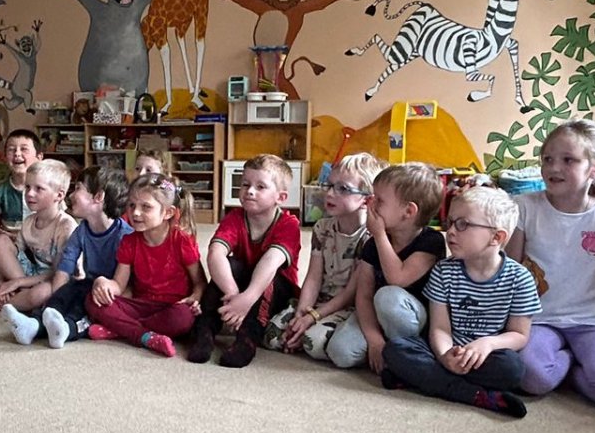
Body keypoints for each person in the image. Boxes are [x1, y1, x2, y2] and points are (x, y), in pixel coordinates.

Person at [509, 119, 595, 408]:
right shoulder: (524, 206)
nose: (553, 168)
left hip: (593, 320)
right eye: (548, 159)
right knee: (529, 376)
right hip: (539, 319)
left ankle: (572, 369)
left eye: (568, 160)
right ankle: (569, 359)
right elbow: (509, 271)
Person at [381, 183, 537, 418]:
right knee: (396, 349)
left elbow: (519, 335)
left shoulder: (520, 278)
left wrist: (487, 344)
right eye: (450, 222)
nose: (451, 232)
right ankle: (475, 395)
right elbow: (440, 328)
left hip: (485, 356)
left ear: (496, 237)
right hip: (444, 350)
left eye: (463, 224)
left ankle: (425, 380)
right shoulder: (444, 271)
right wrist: (445, 356)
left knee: (512, 368)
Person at [326, 163, 446, 372]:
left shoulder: (431, 241)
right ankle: (384, 352)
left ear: (408, 211)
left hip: (414, 321)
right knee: (340, 352)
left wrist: (380, 235)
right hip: (378, 316)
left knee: (388, 296)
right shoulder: (373, 244)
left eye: (379, 200)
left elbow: (397, 279)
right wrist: (374, 340)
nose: (370, 203)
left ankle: (407, 353)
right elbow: (364, 296)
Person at [266, 152, 382, 359]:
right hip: (318, 301)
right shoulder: (322, 228)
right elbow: (313, 277)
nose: (330, 193)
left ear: (367, 200)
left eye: (343, 189)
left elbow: (351, 292)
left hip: (348, 306)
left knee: (313, 343)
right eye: (329, 185)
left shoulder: (370, 237)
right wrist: (302, 313)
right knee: (273, 337)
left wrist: (313, 317)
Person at [189, 152, 301, 368]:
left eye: (260, 187)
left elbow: (270, 262)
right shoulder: (235, 217)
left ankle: (248, 339)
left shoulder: (289, 225)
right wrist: (233, 294)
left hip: (275, 292)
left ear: (280, 197)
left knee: (269, 279)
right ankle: (205, 330)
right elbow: (215, 253)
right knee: (228, 266)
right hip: (240, 290)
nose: (249, 191)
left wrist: (247, 299)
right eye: (245, 184)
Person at [5, 164, 129, 348]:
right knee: (69, 290)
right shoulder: (81, 231)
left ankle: (68, 328)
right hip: (89, 283)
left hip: (115, 291)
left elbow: (129, 281)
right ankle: (35, 325)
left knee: (85, 306)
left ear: (98, 197)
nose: (71, 195)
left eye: (78, 188)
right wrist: (56, 300)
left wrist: (108, 288)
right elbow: (65, 268)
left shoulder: (125, 236)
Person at [86, 174, 206, 357]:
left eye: (146, 207)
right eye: (132, 205)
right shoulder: (129, 242)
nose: (135, 213)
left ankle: (120, 331)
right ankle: (145, 336)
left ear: (168, 213)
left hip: (172, 307)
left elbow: (200, 282)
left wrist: (195, 297)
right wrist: (102, 282)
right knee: (92, 300)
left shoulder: (182, 240)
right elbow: (119, 285)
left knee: (183, 318)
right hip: (140, 304)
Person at [0, 158, 76, 315]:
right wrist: (1, 285)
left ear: (59, 195)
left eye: (39, 189)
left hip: (54, 278)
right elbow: (11, 258)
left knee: (42, 293)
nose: (29, 193)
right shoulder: (29, 221)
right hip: (31, 273)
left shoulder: (65, 226)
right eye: (27, 187)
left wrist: (18, 282)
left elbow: (60, 273)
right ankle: (17, 298)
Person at [0, 128, 39, 292]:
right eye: (11, 150)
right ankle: (21, 282)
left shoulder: (47, 189)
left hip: (39, 245)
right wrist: (7, 235)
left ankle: (22, 284)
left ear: (39, 157)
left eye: (24, 149)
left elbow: (59, 219)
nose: (17, 154)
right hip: (9, 244)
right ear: (5, 157)